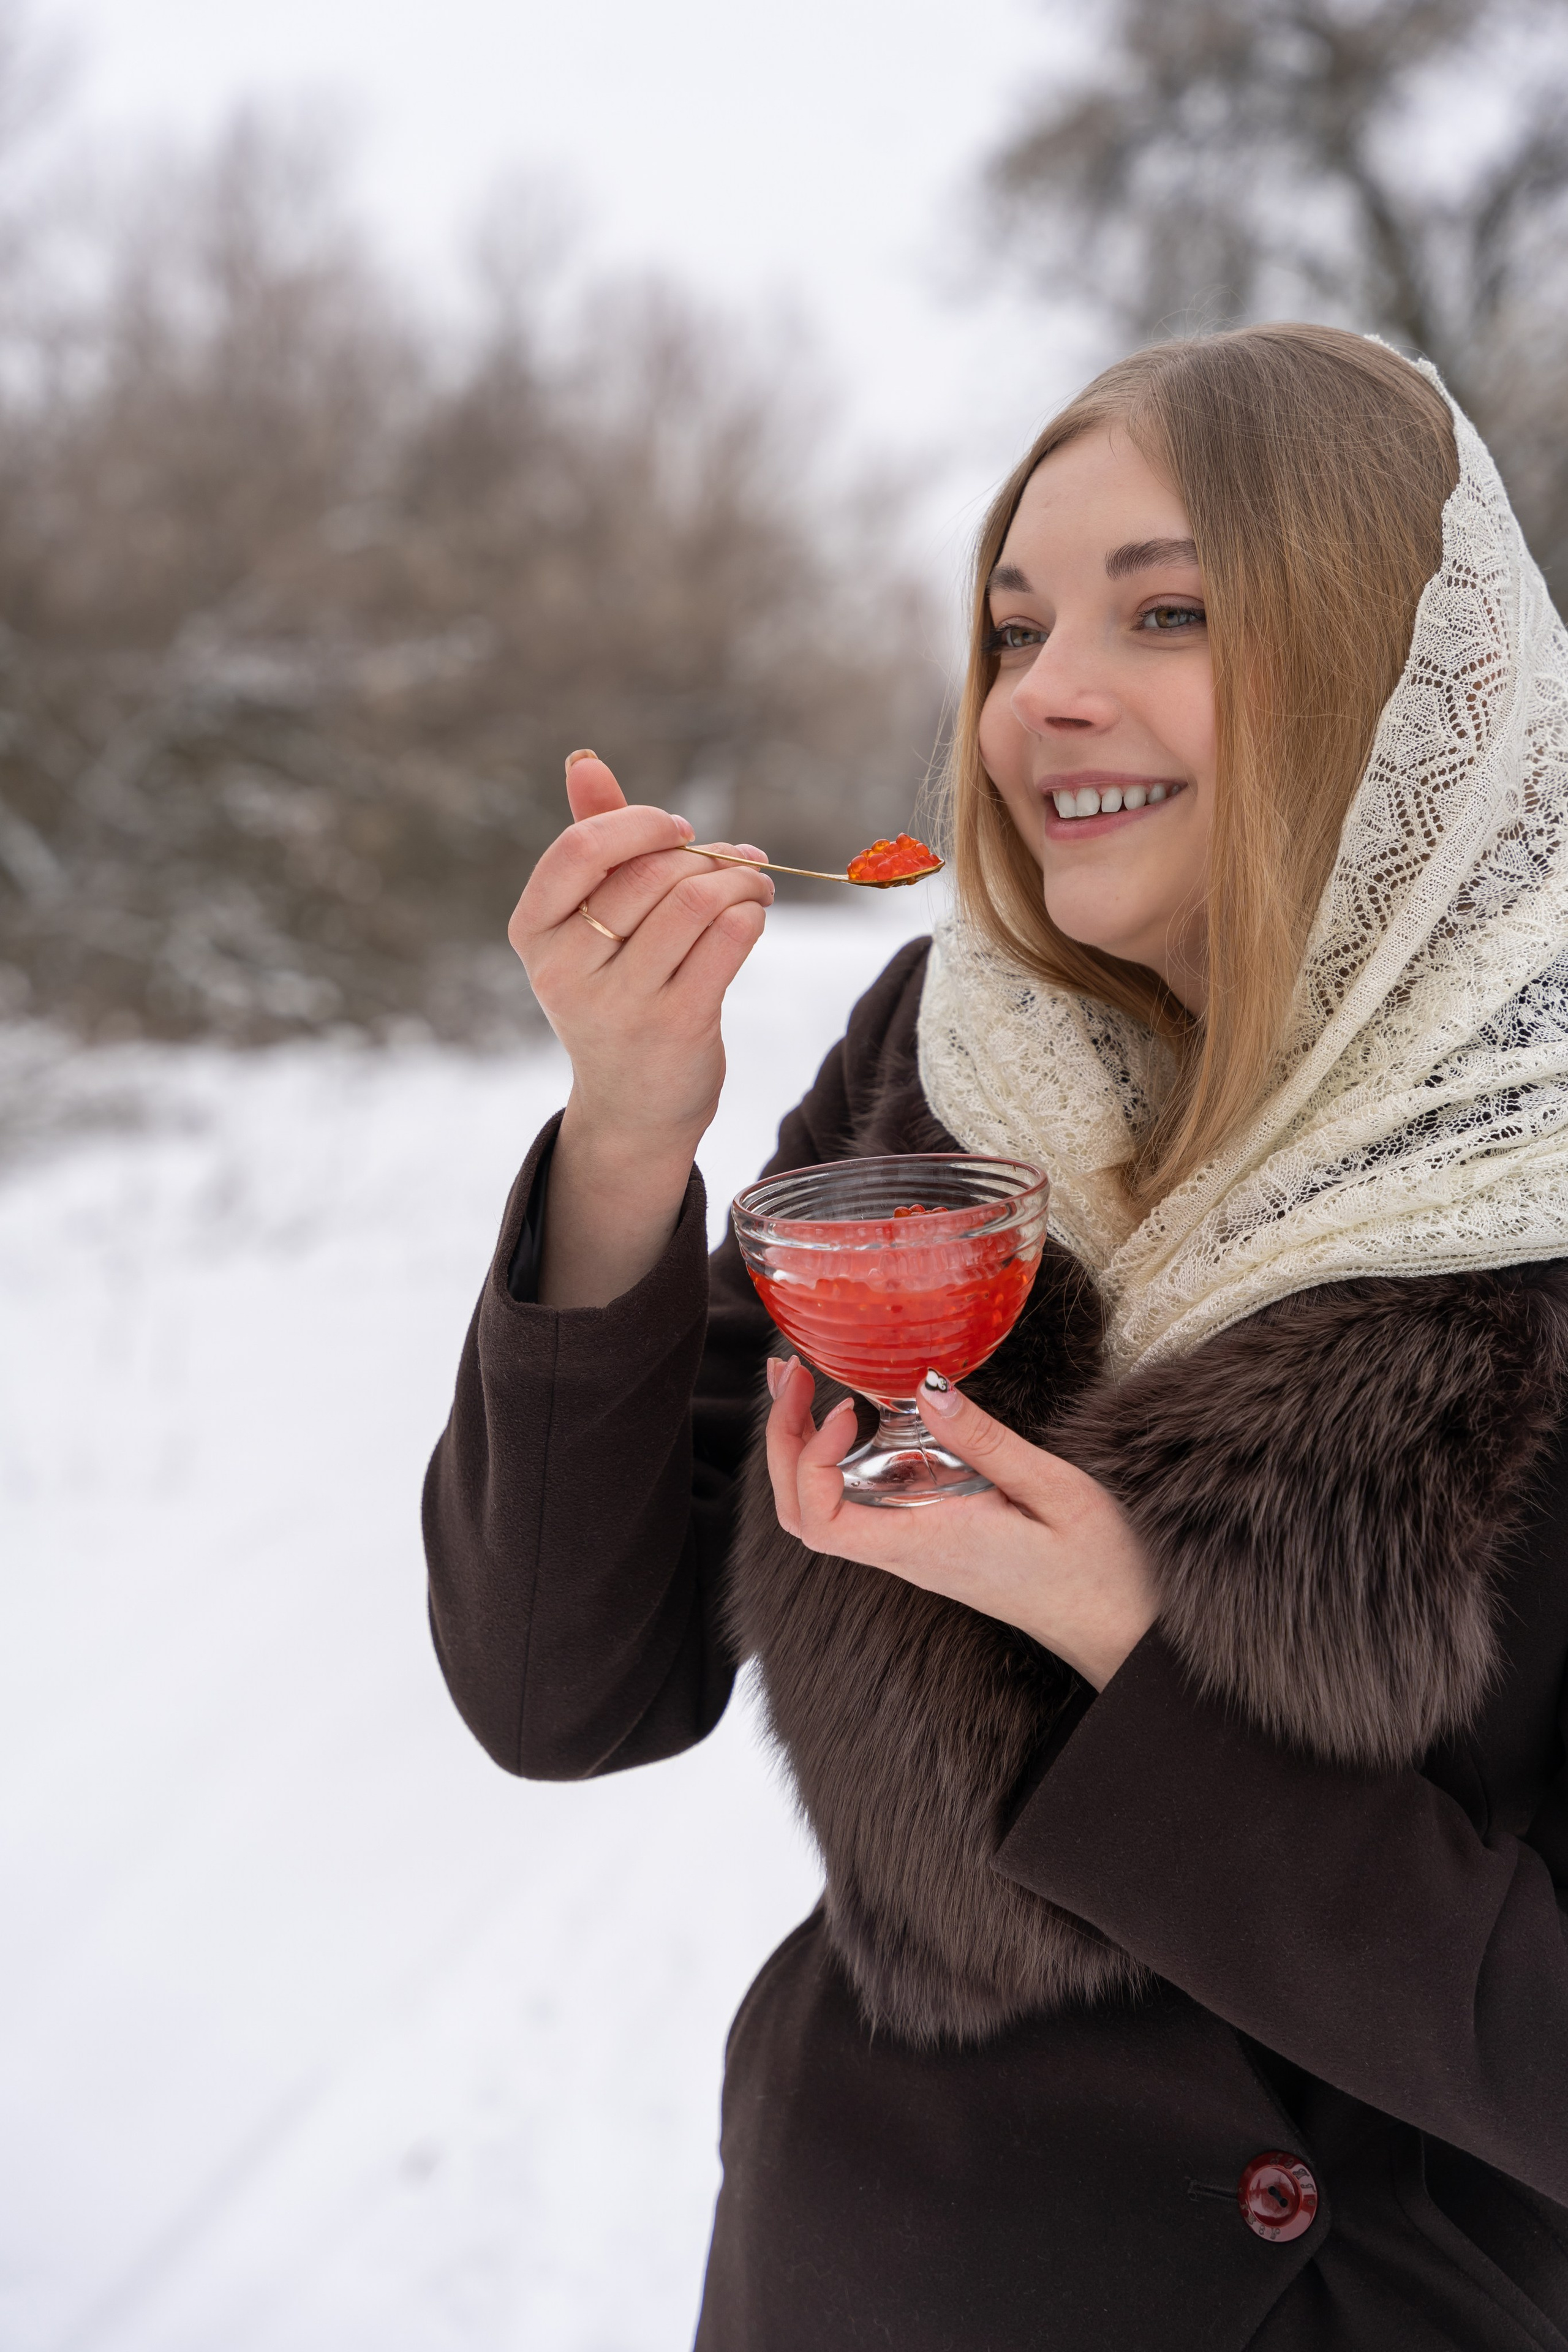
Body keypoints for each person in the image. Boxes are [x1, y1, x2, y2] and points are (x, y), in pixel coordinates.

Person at [423, 323, 1568, 2349]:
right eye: (1012, 625)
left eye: (1176, 609)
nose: (1049, 695)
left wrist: (1143, 1654)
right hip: (866, 2272)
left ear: (1403, 672)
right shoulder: (938, 1067)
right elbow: (562, 1688)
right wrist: (625, 1129)